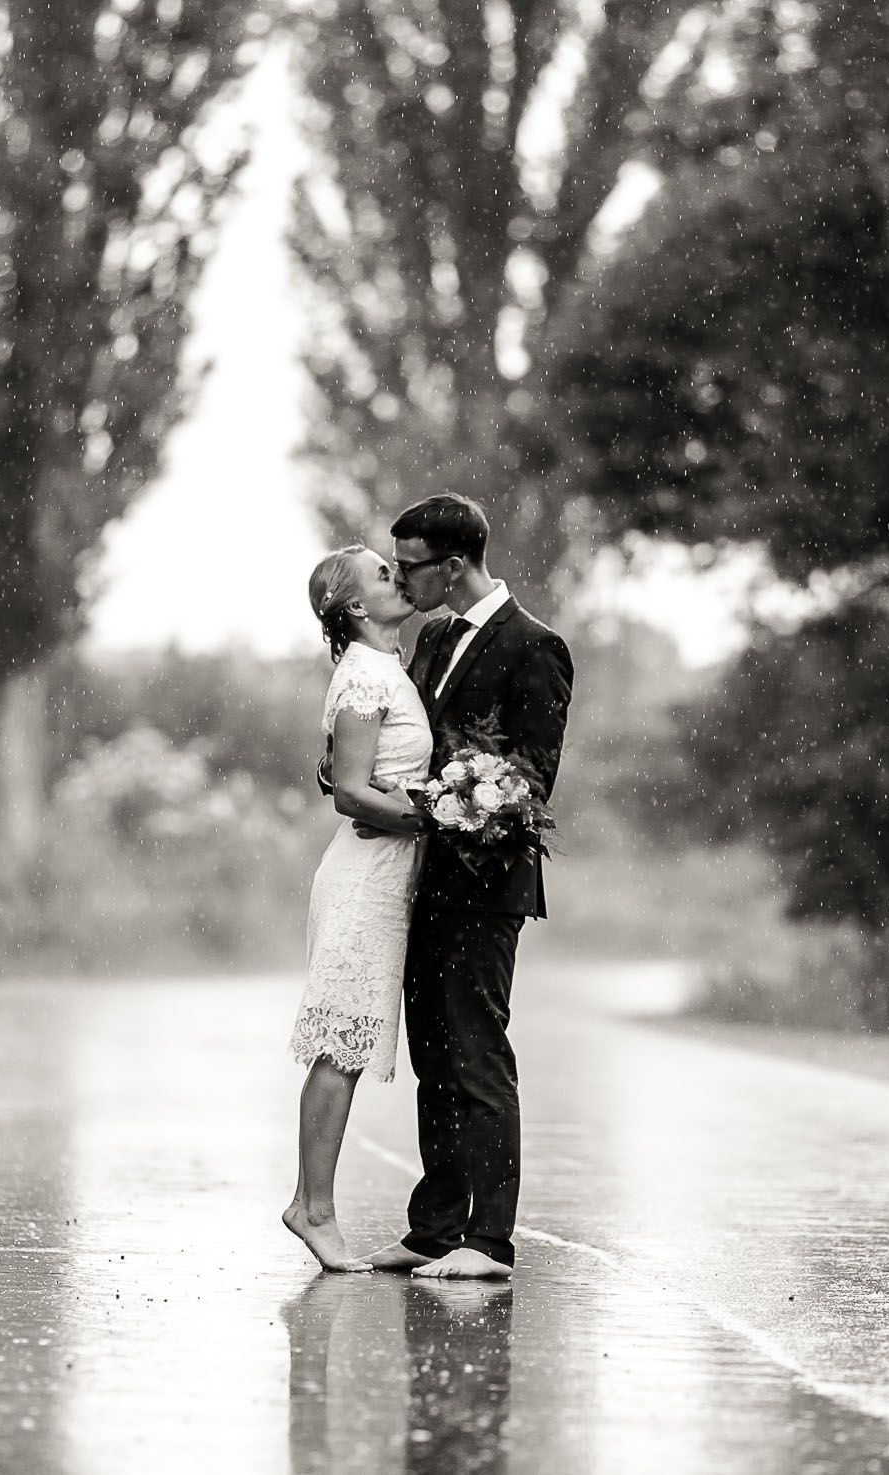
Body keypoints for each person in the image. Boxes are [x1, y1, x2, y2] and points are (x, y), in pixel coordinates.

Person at [363, 494, 572, 1282]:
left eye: (409, 566)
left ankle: (489, 1239)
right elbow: (409, 743)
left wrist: (464, 798)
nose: (401, 579)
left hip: (488, 888)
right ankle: (434, 1226)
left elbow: (531, 777)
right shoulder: (435, 636)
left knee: (477, 1054)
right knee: (434, 1057)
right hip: (422, 881)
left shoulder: (536, 646)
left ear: (453, 565)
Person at [284, 545, 430, 1270]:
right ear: (352, 607)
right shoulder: (366, 674)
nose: (395, 578)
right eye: (381, 574)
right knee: (339, 1044)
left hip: (387, 875)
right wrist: (430, 818)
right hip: (364, 877)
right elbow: (348, 790)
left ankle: (311, 1202)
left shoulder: (386, 667)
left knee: (348, 1039)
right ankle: (313, 1208)